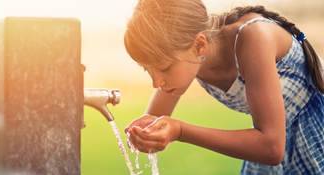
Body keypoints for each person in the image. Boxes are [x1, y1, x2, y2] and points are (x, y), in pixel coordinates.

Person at [123, 1, 324, 174]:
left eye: (164, 68)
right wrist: (145, 136)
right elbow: (154, 121)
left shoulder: (253, 38)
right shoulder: (191, 58)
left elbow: (272, 147)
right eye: (147, 70)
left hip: (314, 138)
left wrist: (181, 131)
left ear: (199, 46)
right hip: (274, 149)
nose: (156, 82)